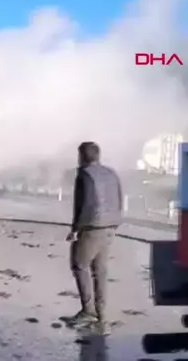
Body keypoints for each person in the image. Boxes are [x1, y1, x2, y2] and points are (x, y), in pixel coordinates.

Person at [64, 141, 123, 335]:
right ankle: (101, 312)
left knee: (79, 265)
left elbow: (84, 203)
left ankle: (88, 311)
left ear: (81, 156)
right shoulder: (111, 173)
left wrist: (75, 229)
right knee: (100, 270)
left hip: (91, 226)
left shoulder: (84, 174)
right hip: (110, 226)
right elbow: (119, 198)